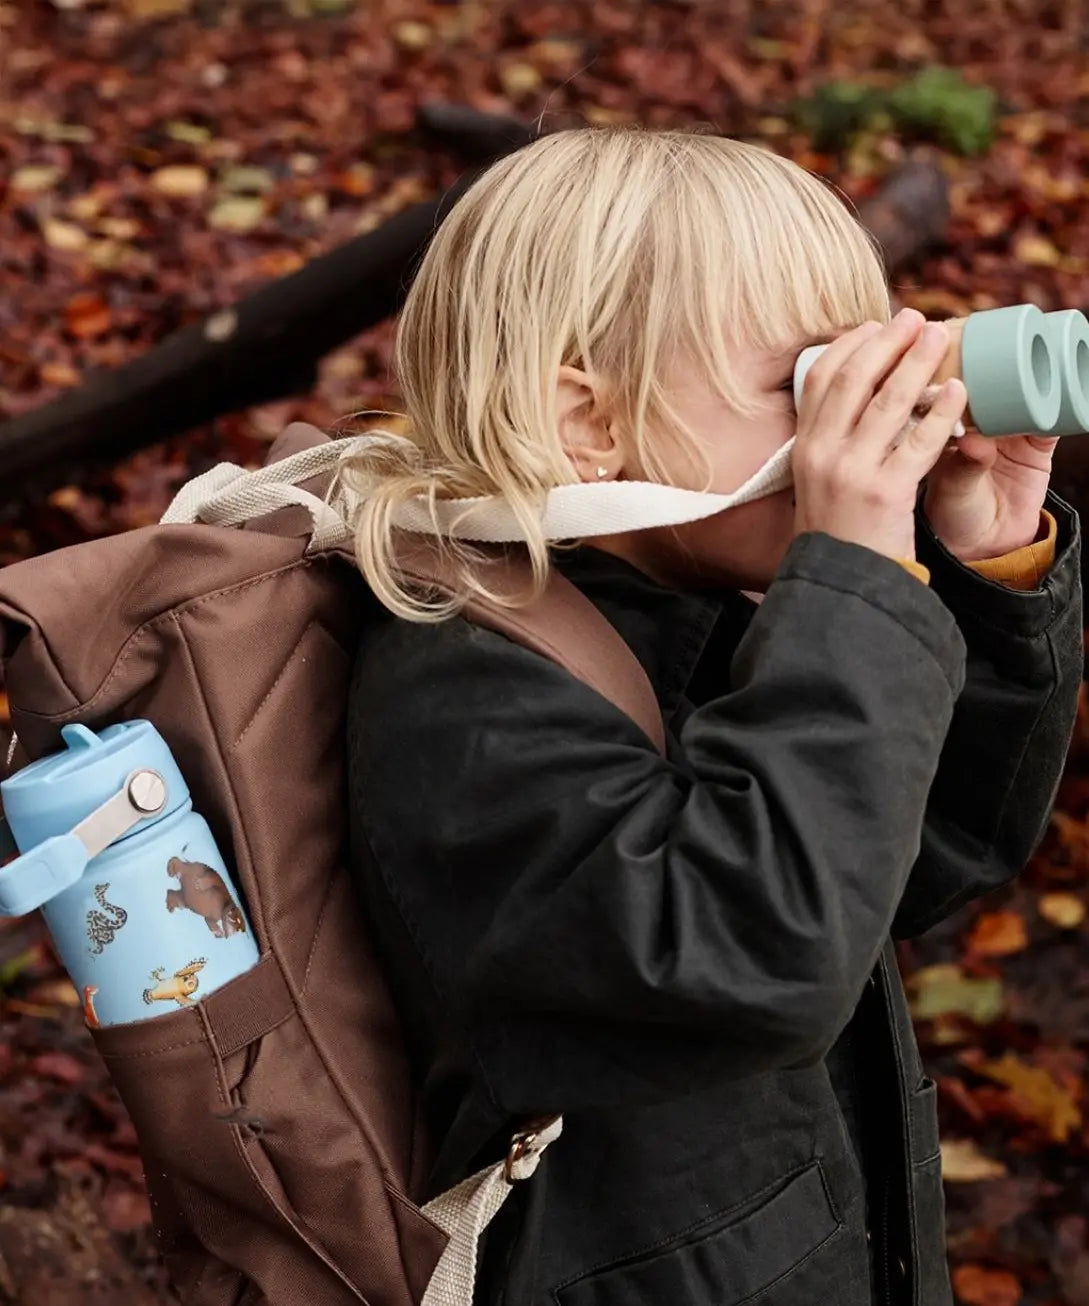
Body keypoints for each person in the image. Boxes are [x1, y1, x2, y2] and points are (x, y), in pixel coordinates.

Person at [342, 128, 1082, 1306]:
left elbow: (912, 856)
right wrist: (854, 578)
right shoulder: (467, 697)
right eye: (810, 382)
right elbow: (752, 951)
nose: (867, 415)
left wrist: (987, 565)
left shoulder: (702, 607)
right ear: (586, 421)